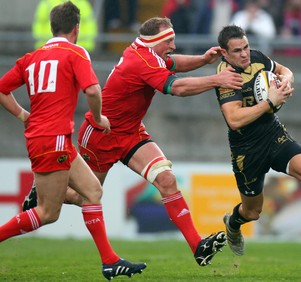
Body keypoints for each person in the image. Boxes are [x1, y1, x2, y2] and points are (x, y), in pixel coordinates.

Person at [23, 16, 243, 267]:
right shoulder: (142, 61)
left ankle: (198, 246)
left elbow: (173, 63)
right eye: (169, 41)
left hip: (131, 132)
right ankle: (47, 188)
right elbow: (178, 88)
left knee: (166, 179)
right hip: (101, 134)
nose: (173, 45)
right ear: (155, 41)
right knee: (86, 196)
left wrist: (203, 60)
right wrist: (217, 79)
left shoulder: (146, 52)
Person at [0, 2, 146, 280]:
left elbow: (2, 88)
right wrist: (99, 117)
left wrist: (23, 115)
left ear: (52, 27)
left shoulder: (31, 58)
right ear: (76, 28)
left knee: (92, 191)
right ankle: (107, 259)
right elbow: (92, 89)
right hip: (52, 138)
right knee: (47, 213)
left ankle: (110, 261)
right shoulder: (75, 51)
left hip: (51, 138)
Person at [215, 25, 301, 266]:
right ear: (225, 54)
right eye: (237, 51)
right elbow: (234, 120)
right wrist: (269, 102)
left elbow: (286, 69)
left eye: (245, 47)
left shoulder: (256, 57)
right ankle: (233, 223)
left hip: (273, 133)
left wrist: (284, 80)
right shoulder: (225, 78)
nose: (244, 54)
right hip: (246, 148)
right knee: (253, 212)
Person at [32, 0, 97, 52]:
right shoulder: (47, 3)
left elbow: (89, 24)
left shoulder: (81, 3)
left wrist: (86, 45)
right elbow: (39, 24)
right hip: (49, 48)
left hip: (77, 47)